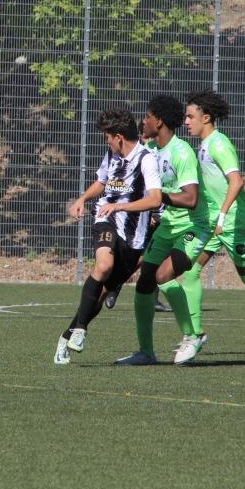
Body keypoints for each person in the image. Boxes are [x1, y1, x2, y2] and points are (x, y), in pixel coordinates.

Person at [165, 89, 245, 363]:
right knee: (189, 272)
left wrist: (223, 215)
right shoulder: (202, 145)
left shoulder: (219, 144)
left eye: (190, 117)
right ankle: (195, 334)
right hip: (212, 224)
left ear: (206, 117)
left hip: (234, 223)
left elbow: (236, 181)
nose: (185, 121)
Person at [55, 108, 163, 364]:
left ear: (118, 137)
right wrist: (82, 198)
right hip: (106, 219)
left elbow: (156, 199)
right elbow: (103, 182)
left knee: (101, 293)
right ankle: (80, 330)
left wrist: (122, 206)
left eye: (107, 137)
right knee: (103, 265)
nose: (106, 142)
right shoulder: (111, 155)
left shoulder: (146, 159)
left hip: (134, 236)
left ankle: (68, 334)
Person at [116, 95, 210, 366]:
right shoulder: (153, 152)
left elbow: (190, 199)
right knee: (144, 284)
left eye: (147, 116)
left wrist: (160, 198)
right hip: (168, 226)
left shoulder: (181, 153)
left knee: (163, 274)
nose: (143, 121)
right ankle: (146, 351)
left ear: (159, 120)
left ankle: (192, 335)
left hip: (193, 227)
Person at [102, 119, 172, 314]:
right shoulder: (144, 150)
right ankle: (117, 283)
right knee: (146, 252)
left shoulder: (173, 148)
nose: (144, 124)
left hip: (165, 209)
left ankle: (149, 294)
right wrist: (149, 211)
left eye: (148, 119)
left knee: (155, 254)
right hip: (148, 209)